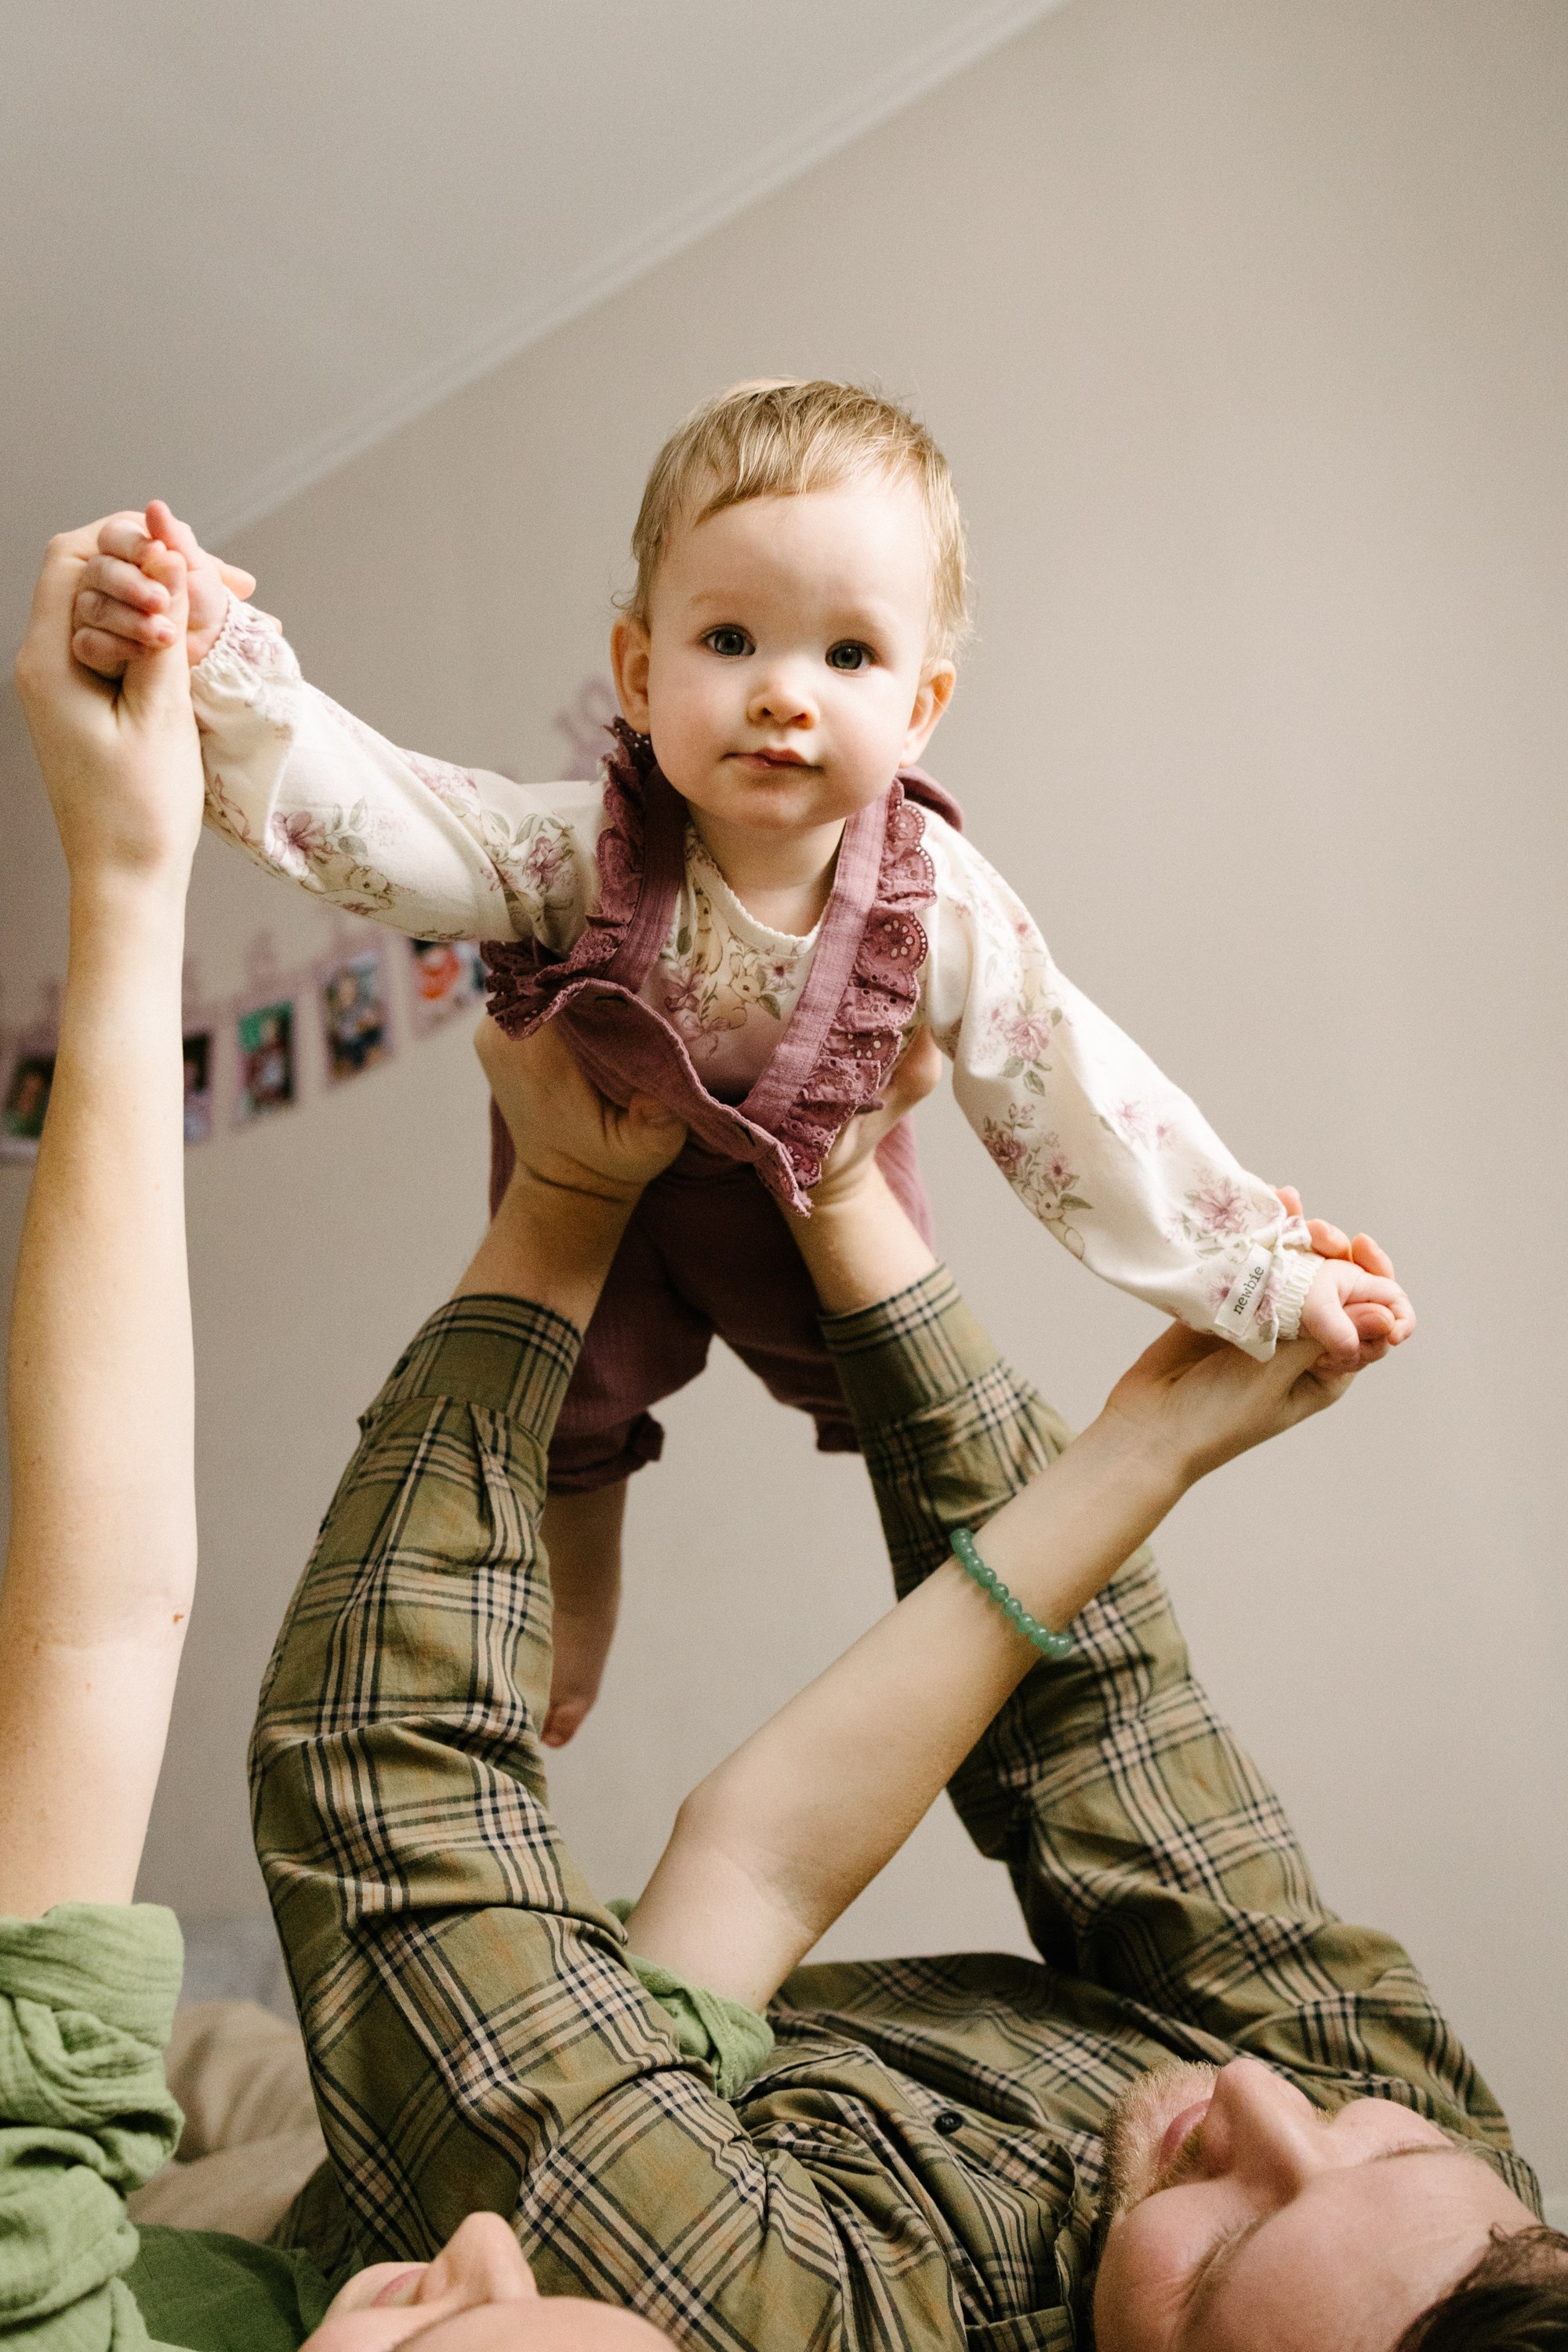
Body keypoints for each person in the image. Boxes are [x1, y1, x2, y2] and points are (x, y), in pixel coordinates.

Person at [9, 530, 1556, 2348]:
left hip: (379, 2199)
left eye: (1219, 2248)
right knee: (208, 2053)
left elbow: (377, 1778)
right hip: (604, 2039)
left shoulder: (785, 2314)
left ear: (923, 696)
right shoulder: (1454, 2196)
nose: (1265, 2109)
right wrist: (1045, 1367)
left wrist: (554, 1198)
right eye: (1376, 2145)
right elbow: (809, 1845)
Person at [69, 379, 1413, 1751]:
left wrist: (1253, 1271)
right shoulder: (578, 851)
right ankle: (582, 1597)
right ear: (640, 673)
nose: (782, 692)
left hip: (812, 1189)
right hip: (603, 1188)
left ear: (922, 708)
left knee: (915, 1404)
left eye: (849, 655)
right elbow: (394, 823)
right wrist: (216, 659)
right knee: (570, 1410)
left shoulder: (936, 903)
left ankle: (991, 1660)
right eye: (728, 639)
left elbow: (1074, 1095)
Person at [2, 529, 667, 2347]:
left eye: (465, 2332)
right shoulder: (450, 2253)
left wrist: (126, 878)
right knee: (254, 2065)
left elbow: (98, 1625)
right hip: (253, 2197)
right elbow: (752, 1869)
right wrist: (568, 1211)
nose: (493, 2251)